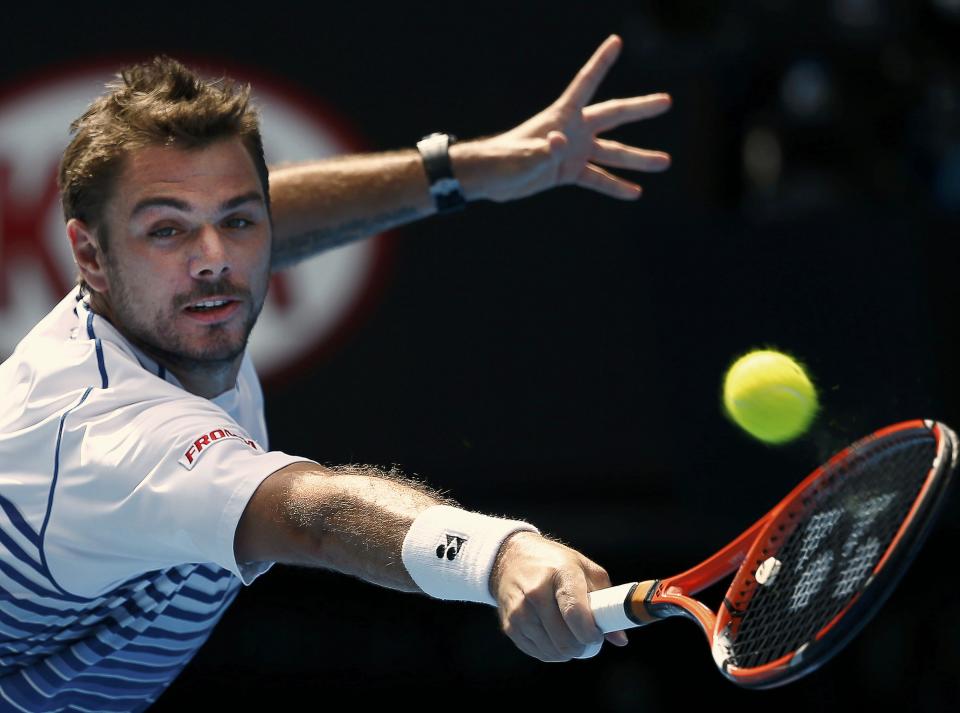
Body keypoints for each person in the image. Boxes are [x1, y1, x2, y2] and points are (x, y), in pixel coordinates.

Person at [0, 35, 670, 711]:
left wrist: (460, 171)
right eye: (167, 230)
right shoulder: (112, 434)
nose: (214, 257)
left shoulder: (163, 292)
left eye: (237, 219)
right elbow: (315, 513)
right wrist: (501, 556)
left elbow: (268, 215)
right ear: (89, 252)